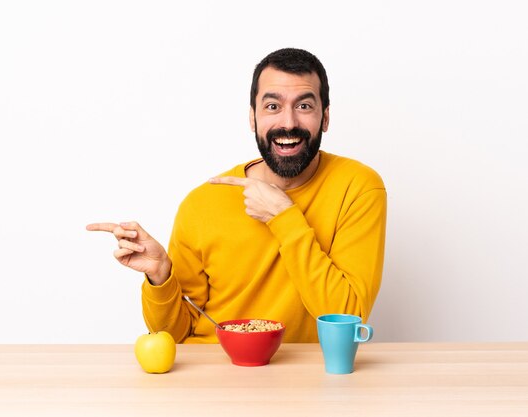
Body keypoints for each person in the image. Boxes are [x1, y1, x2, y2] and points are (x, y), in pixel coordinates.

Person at [87, 48, 387, 343]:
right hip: (214, 376)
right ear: (252, 118)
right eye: (272, 107)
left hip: (303, 381)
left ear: (325, 118)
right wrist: (160, 276)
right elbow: (174, 336)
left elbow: (347, 320)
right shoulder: (202, 203)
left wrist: (285, 218)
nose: (288, 123)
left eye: (304, 106)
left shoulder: (358, 188)